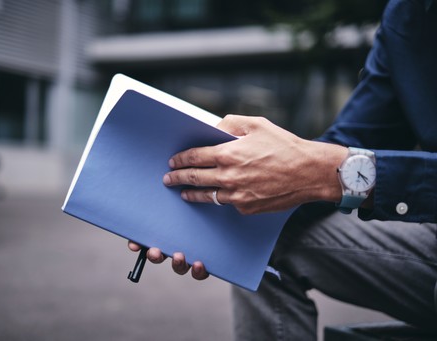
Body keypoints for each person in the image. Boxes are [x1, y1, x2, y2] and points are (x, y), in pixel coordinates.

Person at [129, 0, 437, 339]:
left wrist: (329, 171)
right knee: (260, 240)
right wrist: (201, 221)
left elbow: (331, 164)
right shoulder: (408, 12)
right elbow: (355, 136)